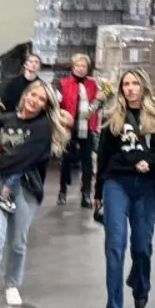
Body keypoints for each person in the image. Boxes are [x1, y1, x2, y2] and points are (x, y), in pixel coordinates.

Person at [0, 79, 70, 308]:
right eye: (33, 95)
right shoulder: (4, 120)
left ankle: (12, 283)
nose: (35, 101)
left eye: (41, 99)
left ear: (46, 106)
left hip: (26, 189)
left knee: (17, 241)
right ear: (25, 95)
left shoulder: (42, 128)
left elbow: (21, 159)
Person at [94, 69, 155, 308]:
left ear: (144, 86)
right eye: (126, 84)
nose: (130, 88)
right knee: (114, 246)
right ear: (120, 89)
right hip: (116, 183)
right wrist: (97, 193)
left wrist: (148, 161)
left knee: (142, 247)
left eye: (135, 84)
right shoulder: (113, 117)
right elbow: (104, 154)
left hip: (146, 185)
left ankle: (140, 284)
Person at [57, 54, 102, 207]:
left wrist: (101, 99)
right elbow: (58, 105)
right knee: (66, 160)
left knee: (87, 161)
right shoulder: (64, 83)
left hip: (86, 127)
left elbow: (97, 104)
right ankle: (62, 191)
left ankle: (86, 194)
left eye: (84, 66)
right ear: (73, 67)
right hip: (68, 127)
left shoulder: (93, 84)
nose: (81, 69)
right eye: (78, 66)